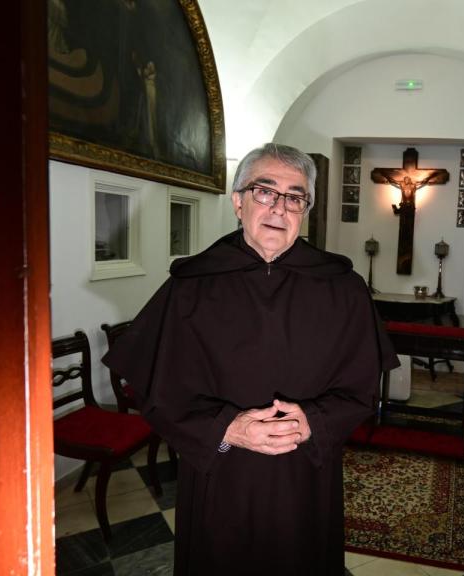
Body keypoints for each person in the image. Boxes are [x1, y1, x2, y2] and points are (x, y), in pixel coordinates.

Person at [103, 143, 398, 575]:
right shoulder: (190, 286)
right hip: (221, 472)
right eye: (265, 191)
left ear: (305, 210)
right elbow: (158, 392)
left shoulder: (344, 288)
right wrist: (227, 429)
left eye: (295, 197)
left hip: (305, 473)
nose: (279, 207)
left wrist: (313, 419)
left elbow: (361, 390)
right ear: (238, 201)